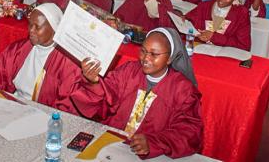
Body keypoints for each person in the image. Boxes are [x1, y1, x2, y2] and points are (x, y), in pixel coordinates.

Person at [71, 28, 202, 159]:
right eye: (143, 51)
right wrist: (94, 83)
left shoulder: (183, 89)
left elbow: (189, 131)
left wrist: (154, 142)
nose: (146, 58)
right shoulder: (129, 71)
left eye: (154, 54)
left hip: (151, 155)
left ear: (170, 58)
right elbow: (107, 98)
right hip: (111, 144)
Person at [0, 3, 82, 114]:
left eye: (37, 27)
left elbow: (66, 108)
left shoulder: (67, 62)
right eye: (30, 24)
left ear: (55, 29)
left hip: (41, 116)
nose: (31, 30)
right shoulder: (21, 48)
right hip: (12, 105)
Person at [185, 0, 251, 51]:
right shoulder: (204, 6)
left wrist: (214, 37)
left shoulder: (241, 15)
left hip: (225, 54)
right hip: (201, 50)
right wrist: (182, 19)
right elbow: (187, 21)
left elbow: (244, 46)